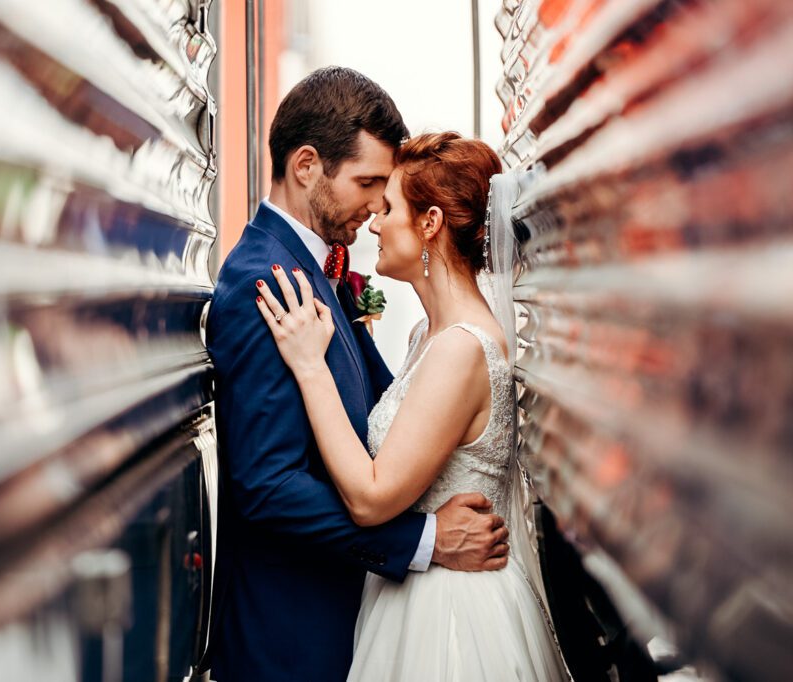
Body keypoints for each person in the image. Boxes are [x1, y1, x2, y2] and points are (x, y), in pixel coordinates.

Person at [198, 68, 510, 682]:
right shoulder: (267, 284)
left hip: (358, 623)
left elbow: (398, 417)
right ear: (307, 166)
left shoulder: (317, 275)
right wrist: (424, 541)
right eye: (368, 183)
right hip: (289, 639)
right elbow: (266, 484)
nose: (374, 207)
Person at [253, 131, 571, 680]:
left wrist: (310, 367)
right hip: (411, 592)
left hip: (451, 619)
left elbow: (372, 498)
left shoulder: (460, 350)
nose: (374, 222)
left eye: (391, 207)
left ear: (430, 224)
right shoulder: (429, 335)